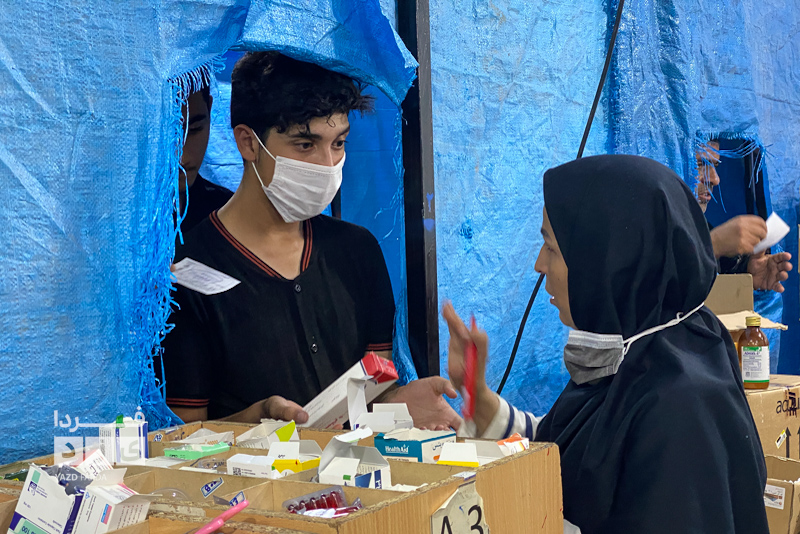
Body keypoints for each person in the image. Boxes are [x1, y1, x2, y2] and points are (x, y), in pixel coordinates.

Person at [443, 155, 768, 533]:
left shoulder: (678, 411)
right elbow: (557, 449)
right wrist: (479, 397)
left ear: (607, 262)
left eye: (551, 247)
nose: (539, 265)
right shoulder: (635, 358)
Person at [162, 52, 460, 430]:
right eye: (305, 144)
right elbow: (180, 437)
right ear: (248, 143)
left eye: (339, 143)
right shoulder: (186, 271)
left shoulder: (358, 252)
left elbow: (373, 391)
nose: (327, 165)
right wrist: (256, 421)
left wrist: (400, 404)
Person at [696, 140, 792, 291]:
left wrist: (746, 271)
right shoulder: (656, 228)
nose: (715, 179)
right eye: (700, 164)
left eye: (714, 166)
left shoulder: (701, 226)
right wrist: (713, 246)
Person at [178, 85, 234, 233]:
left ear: (209, 108)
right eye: (165, 136)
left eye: (195, 129)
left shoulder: (229, 216)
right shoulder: (120, 219)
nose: (182, 157)